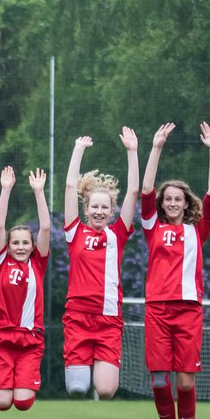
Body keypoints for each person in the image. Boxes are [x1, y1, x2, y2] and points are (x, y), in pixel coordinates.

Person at [140, 121, 210, 419]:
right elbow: (144, 189)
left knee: (185, 384)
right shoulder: (152, 227)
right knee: (160, 382)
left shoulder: (197, 229)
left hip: (189, 312)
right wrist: (156, 147)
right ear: (162, 203)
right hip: (157, 310)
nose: (172, 202)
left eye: (178, 199)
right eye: (167, 198)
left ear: (187, 203)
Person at [61, 129, 140, 399]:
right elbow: (71, 186)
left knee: (105, 390)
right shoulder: (75, 232)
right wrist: (78, 149)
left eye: (104, 208)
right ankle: (78, 369)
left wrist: (132, 151)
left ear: (111, 211)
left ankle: (100, 368)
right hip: (78, 317)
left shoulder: (117, 234)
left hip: (108, 319)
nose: (99, 211)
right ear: (86, 209)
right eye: (94, 207)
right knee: (77, 388)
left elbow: (133, 192)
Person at [0, 167, 51, 411]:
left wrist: (39, 192)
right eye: (15, 243)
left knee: (23, 403)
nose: (20, 247)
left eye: (25, 243)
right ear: (8, 245)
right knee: (3, 403)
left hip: (30, 340)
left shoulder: (38, 264)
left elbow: (45, 228)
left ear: (33, 246)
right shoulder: (1, 262)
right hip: (2, 339)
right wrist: (5, 190)